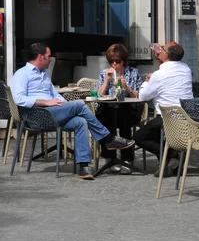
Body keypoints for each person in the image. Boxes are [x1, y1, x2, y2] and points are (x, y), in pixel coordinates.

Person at [10, 43, 134, 180]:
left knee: (80, 121)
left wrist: (66, 106)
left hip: (53, 113)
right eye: (48, 56)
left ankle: (83, 166)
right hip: (37, 115)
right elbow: (19, 99)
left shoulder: (44, 74)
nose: (51, 59)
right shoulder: (21, 74)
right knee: (80, 104)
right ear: (40, 57)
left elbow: (55, 95)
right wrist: (46, 102)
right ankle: (108, 138)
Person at [134, 41, 193, 177]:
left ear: (166, 56)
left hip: (167, 118)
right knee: (155, 132)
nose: (160, 49)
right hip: (186, 117)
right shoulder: (186, 69)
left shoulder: (158, 75)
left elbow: (143, 96)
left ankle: (171, 155)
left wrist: (147, 81)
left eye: (163, 49)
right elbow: (167, 70)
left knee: (139, 137)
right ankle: (168, 161)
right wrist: (160, 56)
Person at [97, 43, 144, 174]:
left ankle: (127, 159)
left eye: (117, 61)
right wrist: (107, 81)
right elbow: (99, 95)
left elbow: (140, 95)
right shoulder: (104, 73)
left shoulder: (134, 73)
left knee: (124, 122)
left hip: (128, 109)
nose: (114, 64)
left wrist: (127, 88)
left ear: (123, 60)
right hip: (109, 109)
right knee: (102, 120)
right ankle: (109, 157)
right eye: (111, 61)